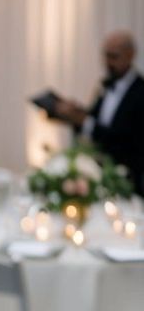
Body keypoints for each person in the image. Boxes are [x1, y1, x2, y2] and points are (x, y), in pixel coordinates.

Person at [53, 30, 144, 194]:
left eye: (113, 56)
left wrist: (85, 121)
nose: (108, 62)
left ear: (130, 55)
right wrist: (76, 113)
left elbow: (128, 138)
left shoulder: (140, 91)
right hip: (101, 174)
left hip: (129, 179)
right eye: (105, 56)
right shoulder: (106, 85)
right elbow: (96, 119)